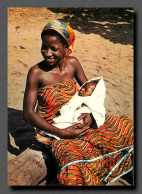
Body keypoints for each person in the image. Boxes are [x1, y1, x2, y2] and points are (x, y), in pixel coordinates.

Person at [23, 20, 134, 186]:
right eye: (44, 47)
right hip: (53, 125)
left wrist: (90, 113)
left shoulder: (73, 63)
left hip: (78, 115)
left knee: (126, 128)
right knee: (72, 159)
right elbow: (28, 114)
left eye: (54, 48)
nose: (47, 53)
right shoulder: (36, 73)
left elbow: (92, 91)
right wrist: (61, 133)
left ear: (67, 49)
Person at [38, 77, 106, 141]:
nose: (82, 89)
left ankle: (50, 139)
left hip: (78, 120)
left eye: (86, 90)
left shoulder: (92, 101)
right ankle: (49, 137)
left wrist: (90, 114)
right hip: (69, 117)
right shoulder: (78, 97)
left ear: (93, 94)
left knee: (65, 126)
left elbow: (97, 112)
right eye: (83, 87)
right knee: (59, 126)